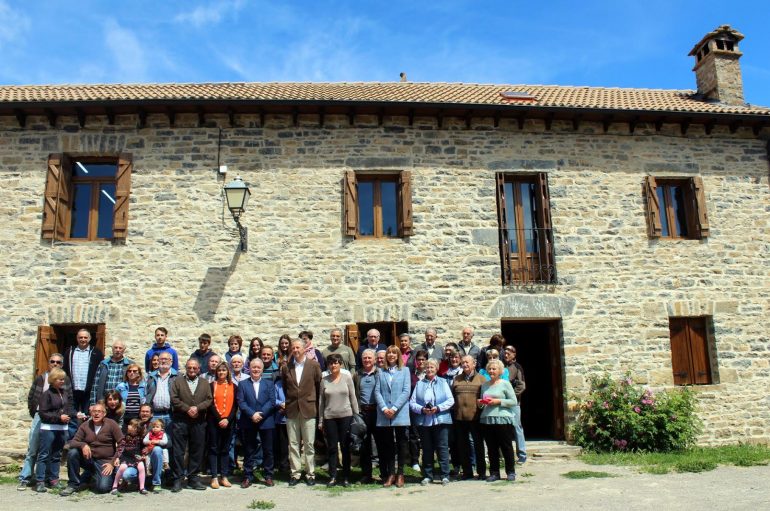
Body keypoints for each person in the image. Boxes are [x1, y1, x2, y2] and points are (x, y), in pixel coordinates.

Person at [18, 353, 72, 491]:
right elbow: (32, 397)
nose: (55, 364)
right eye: (52, 361)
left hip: (59, 423)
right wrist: (35, 412)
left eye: (58, 362)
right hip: (42, 416)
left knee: (55, 453)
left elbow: (69, 400)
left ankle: (51, 479)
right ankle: (26, 477)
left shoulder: (65, 382)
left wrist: (71, 414)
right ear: (49, 363)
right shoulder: (41, 378)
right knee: (34, 448)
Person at [281, 339, 322, 486]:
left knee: (309, 444)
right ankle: (295, 473)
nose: (295, 350)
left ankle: (310, 473)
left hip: (309, 408)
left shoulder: (314, 365)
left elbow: (318, 386)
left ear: (304, 349)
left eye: (298, 347)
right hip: (292, 409)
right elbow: (285, 387)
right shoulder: (287, 367)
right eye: (293, 348)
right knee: (293, 443)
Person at [60, 402, 123, 496]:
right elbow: (73, 442)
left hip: (105, 461)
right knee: (73, 452)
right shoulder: (85, 425)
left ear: (104, 414)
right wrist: (83, 445)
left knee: (103, 488)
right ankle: (73, 484)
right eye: (94, 411)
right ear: (91, 413)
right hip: (89, 459)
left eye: (99, 411)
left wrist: (112, 462)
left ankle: (91, 475)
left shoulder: (111, 424)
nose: (96, 414)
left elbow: (122, 443)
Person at [170, 358, 213, 492]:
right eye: (189, 368)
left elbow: (209, 399)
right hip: (181, 420)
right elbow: (174, 398)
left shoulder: (205, 383)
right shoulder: (177, 381)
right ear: (186, 368)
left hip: (199, 421)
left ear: (199, 369)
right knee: (178, 451)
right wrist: (187, 408)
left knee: (197, 450)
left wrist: (197, 408)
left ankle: (193, 478)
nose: (192, 370)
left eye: (195, 368)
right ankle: (177, 479)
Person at [409, 359, 454, 486]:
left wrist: (438, 408)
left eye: (432, 367)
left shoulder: (443, 382)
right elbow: (412, 403)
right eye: (427, 367)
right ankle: (428, 475)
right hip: (424, 421)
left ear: (436, 369)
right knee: (427, 449)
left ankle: (445, 475)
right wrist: (422, 409)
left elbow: (451, 400)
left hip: (440, 420)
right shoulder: (419, 384)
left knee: (442, 448)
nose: (429, 369)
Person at [374, 345, 411, 488]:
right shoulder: (380, 371)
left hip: (399, 412)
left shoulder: (405, 370)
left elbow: (406, 391)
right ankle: (391, 474)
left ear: (398, 356)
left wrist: (394, 408)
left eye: (394, 353)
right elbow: (377, 391)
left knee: (401, 444)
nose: (391, 355)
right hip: (384, 414)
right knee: (388, 445)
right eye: (389, 353)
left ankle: (400, 473)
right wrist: (384, 408)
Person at [319, 353, 358, 487]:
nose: (333, 365)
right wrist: (320, 420)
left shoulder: (347, 378)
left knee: (345, 447)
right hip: (330, 417)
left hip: (346, 416)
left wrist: (357, 417)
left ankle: (346, 476)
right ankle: (333, 476)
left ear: (340, 364)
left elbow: (353, 398)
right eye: (330, 363)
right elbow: (321, 402)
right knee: (332, 448)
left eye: (336, 363)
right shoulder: (324, 380)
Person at [238, 358, 277, 487]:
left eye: (258, 368)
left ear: (262, 369)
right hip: (248, 421)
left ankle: (268, 475)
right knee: (249, 450)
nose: (256, 370)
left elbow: (272, 402)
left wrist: (260, 414)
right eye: (253, 367)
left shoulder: (269, 383)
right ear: (249, 368)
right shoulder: (243, 384)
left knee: (268, 450)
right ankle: (248, 476)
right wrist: (252, 414)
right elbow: (241, 402)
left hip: (266, 420)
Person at [34, 367, 74, 492]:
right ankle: (40, 481)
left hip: (61, 428)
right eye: (60, 379)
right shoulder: (47, 394)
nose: (63, 381)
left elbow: (68, 408)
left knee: (57, 455)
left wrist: (74, 414)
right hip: (48, 428)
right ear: (53, 380)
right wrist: (59, 417)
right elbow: (43, 413)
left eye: (63, 379)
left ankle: (54, 480)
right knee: (44, 454)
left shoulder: (64, 393)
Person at [479, 359, 517, 482]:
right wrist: (480, 403)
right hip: (487, 419)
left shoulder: (505, 384)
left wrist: (499, 401)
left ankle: (510, 472)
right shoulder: (485, 385)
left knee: (506, 446)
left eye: (494, 369)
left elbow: (513, 402)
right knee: (491, 448)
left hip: (503, 419)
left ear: (500, 371)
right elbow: (483, 403)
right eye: (489, 369)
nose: (491, 371)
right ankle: (494, 473)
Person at [452, 355, 486, 480]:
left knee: (478, 446)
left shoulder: (482, 379)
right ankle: (467, 472)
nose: (465, 364)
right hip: (460, 418)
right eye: (463, 362)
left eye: (467, 362)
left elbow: (484, 398)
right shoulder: (456, 379)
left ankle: (481, 472)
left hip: (476, 418)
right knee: (463, 446)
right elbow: (452, 397)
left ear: (474, 364)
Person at [208, 362, 237, 488]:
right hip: (214, 421)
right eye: (219, 371)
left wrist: (227, 419)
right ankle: (214, 477)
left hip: (229, 422)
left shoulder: (234, 386)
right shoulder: (211, 385)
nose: (221, 373)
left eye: (224, 370)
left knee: (225, 449)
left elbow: (236, 405)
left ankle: (224, 476)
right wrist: (220, 418)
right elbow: (210, 403)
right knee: (213, 448)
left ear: (228, 372)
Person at [353, 348, 379, 484]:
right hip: (363, 413)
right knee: (365, 445)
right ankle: (366, 474)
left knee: (381, 443)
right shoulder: (357, 375)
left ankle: (385, 474)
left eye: (369, 358)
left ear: (374, 359)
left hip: (378, 413)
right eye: (365, 358)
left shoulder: (380, 373)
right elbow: (354, 394)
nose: (367, 360)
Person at [63, 329, 103, 416]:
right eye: (80, 337)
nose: (83, 339)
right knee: (72, 415)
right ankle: (73, 430)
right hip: (73, 390)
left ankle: (85, 430)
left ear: (89, 339)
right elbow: (65, 369)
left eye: (85, 337)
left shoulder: (96, 352)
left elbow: (100, 371)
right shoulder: (69, 352)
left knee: (88, 415)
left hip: (88, 391)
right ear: (77, 338)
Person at [503, 345, 527, 463]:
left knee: (517, 427)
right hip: (502, 403)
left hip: (514, 403)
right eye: (505, 353)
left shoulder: (517, 367)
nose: (506, 354)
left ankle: (522, 454)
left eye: (508, 353)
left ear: (514, 354)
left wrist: (511, 396)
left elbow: (521, 385)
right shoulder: (501, 366)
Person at [111, 418, 148, 495]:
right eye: (129, 424)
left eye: (131, 425)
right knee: (122, 467)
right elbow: (120, 448)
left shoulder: (140, 438)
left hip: (136, 456)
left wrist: (143, 455)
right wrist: (117, 457)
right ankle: (115, 486)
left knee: (141, 467)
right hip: (126, 456)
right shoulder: (125, 437)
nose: (128, 426)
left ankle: (142, 487)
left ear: (136, 429)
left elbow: (144, 447)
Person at [90, 340, 132, 406]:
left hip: (122, 402)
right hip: (104, 401)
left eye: (120, 348)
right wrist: (93, 404)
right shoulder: (103, 364)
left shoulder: (129, 365)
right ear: (112, 349)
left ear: (124, 350)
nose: (118, 350)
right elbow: (95, 385)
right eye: (115, 348)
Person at [146, 352, 178, 429]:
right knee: (154, 440)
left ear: (171, 361)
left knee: (170, 440)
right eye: (161, 359)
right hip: (154, 415)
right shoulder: (150, 377)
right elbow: (145, 393)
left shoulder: (178, 376)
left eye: (166, 359)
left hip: (171, 415)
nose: (163, 361)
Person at [143, 418, 169, 491]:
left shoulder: (163, 434)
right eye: (153, 427)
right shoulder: (149, 434)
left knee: (163, 450)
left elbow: (165, 442)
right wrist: (149, 441)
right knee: (147, 457)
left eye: (157, 427)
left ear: (162, 428)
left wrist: (157, 441)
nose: (155, 429)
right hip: (150, 451)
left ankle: (165, 463)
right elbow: (144, 441)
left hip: (159, 452)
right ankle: (148, 469)